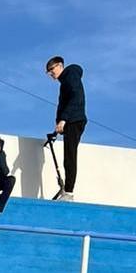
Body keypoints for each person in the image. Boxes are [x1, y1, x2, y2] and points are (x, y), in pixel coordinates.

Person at [46, 57, 87, 201]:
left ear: (60, 65)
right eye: (48, 72)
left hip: (74, 121)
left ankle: (68, 192)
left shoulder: (70, 75)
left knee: (69, 156)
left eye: (52, 69)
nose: (51, 73)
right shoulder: (65, 82)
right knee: (68, 156)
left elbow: (76, 97)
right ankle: (67, 191)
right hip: (72, 121)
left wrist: (63, 120)